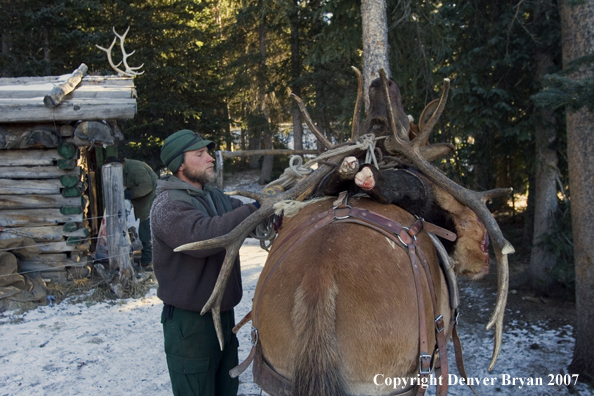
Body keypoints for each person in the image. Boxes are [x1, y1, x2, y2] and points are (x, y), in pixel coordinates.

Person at [150, 129, 259, 396]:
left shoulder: (213, 196)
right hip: (190, 325)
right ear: (180, 164)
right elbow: (204, 237)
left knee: (226, 389)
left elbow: (248, 221)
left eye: (207, 152)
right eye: (200, 154)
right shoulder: (167, 205)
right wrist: (255, 210)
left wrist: (277, 209)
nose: (209, 158)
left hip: (224, 317)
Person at [105, 156, 157, 269]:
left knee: (146, 234)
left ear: (120, 164)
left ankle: (148, 263)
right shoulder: (126, 170)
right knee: (146, 233)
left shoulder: (135, 168)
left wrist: (129, 194)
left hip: (150, 203)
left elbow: (146, 186)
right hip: (144, 204)